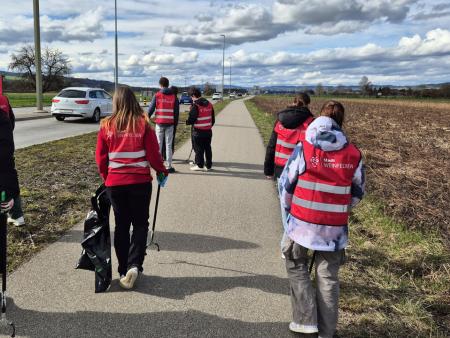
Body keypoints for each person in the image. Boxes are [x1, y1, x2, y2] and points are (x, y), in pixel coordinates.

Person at [278, 101, 365, 337]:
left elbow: (286, 184)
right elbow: (358, 191)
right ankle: (327, 332)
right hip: (334, 230)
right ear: (340, 123)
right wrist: (338, 209)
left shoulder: (304, 147)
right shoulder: (353, 152)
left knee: (296, 265)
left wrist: (288, 213)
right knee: (328, 278)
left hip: (301, 224)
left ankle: (306, 323)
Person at [96, 86, 169, 290]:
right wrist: (162, 171)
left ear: (116, 102)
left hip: (115, 184)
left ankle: (122, 269)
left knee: (121, 226)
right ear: (134, 101)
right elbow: (154, 155)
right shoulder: (144, 124)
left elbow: (101, 158)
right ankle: (135, 264)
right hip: (140, 183)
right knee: (140, 224)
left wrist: (106, 178)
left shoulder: (106, 125)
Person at [0, 94, 25, 226]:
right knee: (9, 180)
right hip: (5, 144)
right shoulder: (3, 98)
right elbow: (12, 120)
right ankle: (17, 215)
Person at [148, 77, 179, 173]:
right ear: (168, 84)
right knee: (169, 145)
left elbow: (151, 109)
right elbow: (176, 112)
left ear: (160, 85)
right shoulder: (174, 96)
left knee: (158, 144)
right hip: (170, 124)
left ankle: (158, 165)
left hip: (160, 123)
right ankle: (169, 166)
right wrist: (175, 124)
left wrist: (146, 118)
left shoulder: (157, 95)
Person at [186, 86, 215, 171]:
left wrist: (187, 122)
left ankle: (199, 165)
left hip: (198, 132)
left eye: (191, 97)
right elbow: (213, 119)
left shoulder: (196, 105)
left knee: (199, 149)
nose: (191, 99)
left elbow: (191, 119)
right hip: (208, 131)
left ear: (194, 95)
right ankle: (209, 165)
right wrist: (207, 126)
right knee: (207, 148)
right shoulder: (209, 104)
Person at [161, 86, 180, 160]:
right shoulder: (175, 99)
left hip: (162, 121)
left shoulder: (167, 98)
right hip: (172, 122)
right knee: (170, 141)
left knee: (162, 140)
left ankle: (163, 155)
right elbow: (176, 113)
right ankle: (168, 156)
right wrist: (175, 123)